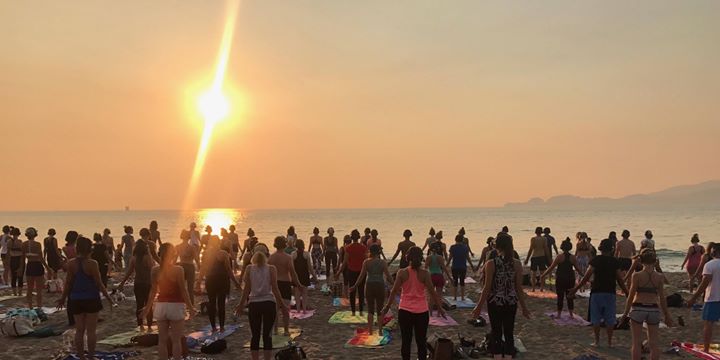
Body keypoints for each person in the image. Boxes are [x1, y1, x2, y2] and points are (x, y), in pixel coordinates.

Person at [382, 247, 446, 360]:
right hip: (421, 312)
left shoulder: (402, 272)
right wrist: (440, 308)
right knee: (421, 341)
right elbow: (433, 293)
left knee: (406, 342)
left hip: (405, 311)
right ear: (421, 258)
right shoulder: (425, 274)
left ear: (407, 257)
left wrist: (387, 307)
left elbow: (394, 291)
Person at [473, 232, 530, 359]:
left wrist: (478, 307)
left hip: (495, 302)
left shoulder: (491, 264)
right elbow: (518, 288)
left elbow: (487, 288)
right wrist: (524, 308)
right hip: (511, 302)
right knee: (509, 333)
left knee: (496, 333)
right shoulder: (516, 263)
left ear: (497, 246)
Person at [56, 236, 114, 360]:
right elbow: (99, 284)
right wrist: (109, 298)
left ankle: (82, 357)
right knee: (91, 331)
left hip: (76, 299)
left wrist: (63, 298)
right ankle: (91, 357)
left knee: (79, 330)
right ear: (89, 249)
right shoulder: (92, 264)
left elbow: (68, 283)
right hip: (91, 299)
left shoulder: (71, 263)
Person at [571, 239, 629, 347]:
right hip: (610, 292)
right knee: (610, 318)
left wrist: (575, 289)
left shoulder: (595, 260)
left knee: (596, 317)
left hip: (597, 291)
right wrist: (627, 292)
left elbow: (586, 277)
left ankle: (597, 341)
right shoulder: (614, 261)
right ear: (611, 249)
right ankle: (609, 342)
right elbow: (620, 280)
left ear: (600, 249)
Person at [142, 244, 195, 360]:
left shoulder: (155, 270)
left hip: (161, 306)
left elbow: (153, 292)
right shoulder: (178, 270)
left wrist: (147, 309)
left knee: (162, 341)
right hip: (176, 306)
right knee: (176, 341)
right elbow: (183, 290)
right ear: (173, 255)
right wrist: (191, 307)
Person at [235, 246, 288, 360]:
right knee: (267, 336)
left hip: (254, 304)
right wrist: (283, 305)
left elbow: (246, 289)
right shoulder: (271, 268)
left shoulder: (249, 268)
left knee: (255, 335)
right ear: (266, 255)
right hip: (268, 303)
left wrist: (241, 305)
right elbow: (275, 289)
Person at [621, 248, 673, 360]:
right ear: (655, 261)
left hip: (638, 307)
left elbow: (630, 296)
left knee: (636, 343)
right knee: (654, 344)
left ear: (641, 261)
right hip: (653, 308)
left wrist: (625, 313)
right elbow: (662, 298)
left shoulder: (637, 275)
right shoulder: (659, 277)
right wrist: (667, 315)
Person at [197, 238, 240, 332]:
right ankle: (221, 327)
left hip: (210, 280)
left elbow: (203, 268)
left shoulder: (206, 253)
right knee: (221, 304)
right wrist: (236, 282)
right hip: (222, 280)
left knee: (212, 303)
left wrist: (199, 282)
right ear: (219, 243)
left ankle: (213, 327)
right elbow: (228, 270)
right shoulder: (223, 254)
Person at [349, 244, 393, 334]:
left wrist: (355, 286)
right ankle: (380, 331)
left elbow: (361, 276)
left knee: (370, 309)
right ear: (379, 252)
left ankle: (370, 331)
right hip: (380, 285)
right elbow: (388, 277)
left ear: (370, 252)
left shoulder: (366, 262)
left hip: (369, 285)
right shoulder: (383, 262)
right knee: (380, 309)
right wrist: (396, 285)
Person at [268, 236, 303, 336]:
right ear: (284, 244)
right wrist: (298, 284)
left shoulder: (271, 257)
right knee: (285, 309)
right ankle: (286, 330)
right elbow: (293, 272)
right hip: (285, 283)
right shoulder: (288, 257)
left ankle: (275, 330)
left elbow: (268, 272)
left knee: (275, 309)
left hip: (275, 283)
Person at [688, 243, 720, 353]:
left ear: (714, 252)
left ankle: (706, 349)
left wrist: (693, 298)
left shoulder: (710, 265)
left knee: (708, 324)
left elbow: (704, 284)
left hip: (712, 298)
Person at [118, 241, 155, 331]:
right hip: (147, 284)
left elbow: (129, 271)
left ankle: (140, 325)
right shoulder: (147, 257)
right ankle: (149, 326)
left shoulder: (134, 258)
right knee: (148, 305)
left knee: (139, 305)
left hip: (138, 284)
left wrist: (122, 283)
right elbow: (153, 267)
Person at [541, 238, 579, 319]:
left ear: (562, 247)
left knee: (560, 296)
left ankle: (559, 314)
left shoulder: (559, 257)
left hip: (561, 278)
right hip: (570, 278)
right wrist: (583, 275)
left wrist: (543, 275)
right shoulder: (573, 257)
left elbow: (551, 268)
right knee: (570, 296)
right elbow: (577, 268)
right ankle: (571, 314)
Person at [337, 230, 369, 316]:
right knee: (361, 291)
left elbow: (344, 262)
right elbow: (367, 260)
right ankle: (361, 311)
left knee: (352, 291)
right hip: (361, 272)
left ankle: (353, 312)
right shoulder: (363, 248)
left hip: (351, 272)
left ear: (351, 238)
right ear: (358, 237)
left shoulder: (348, 248)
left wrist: (338, 272)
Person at [23, 227, 51, 308]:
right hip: (37, 266)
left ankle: (30, 306)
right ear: (35, 235)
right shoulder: (38, 244)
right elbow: (41, 258)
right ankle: (39, 306)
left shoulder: (24, 244)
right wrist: (48, 268)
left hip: (30, 265)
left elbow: (22, 259)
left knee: (29, 289)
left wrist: (21, 269)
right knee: (39, 290)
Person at [447, 233, 475, 301]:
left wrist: (446, 265)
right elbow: (468, 258)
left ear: (455, 240)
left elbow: (450, 258)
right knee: (462, 282)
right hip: (463, 267)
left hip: (455, 266)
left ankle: (455, 297)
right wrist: (472, 265)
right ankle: (462, 297)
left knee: (455, 282)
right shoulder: (465, 247)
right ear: (462, 240)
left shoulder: (452, 247)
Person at [425, 242, 452, 313]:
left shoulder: (428, 257)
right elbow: (444, 268)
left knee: (431, 296)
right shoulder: (440, 257)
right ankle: (439, 313)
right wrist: (450, 277)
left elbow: (425, 269)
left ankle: (430, 313)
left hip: (431, 276)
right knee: (439, 296)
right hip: (439, 276)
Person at [176, 229, 200, 305]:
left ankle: (180, 305)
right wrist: (200, 267)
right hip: (190, 266)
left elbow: (174, 259)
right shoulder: (192, 247)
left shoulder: (178, 246)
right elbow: (196, 259)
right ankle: (191, 306)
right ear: (189, 237)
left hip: (181, 266)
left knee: (180, 287)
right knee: (190, 288)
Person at [524, 227, 551, 292]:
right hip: (542, 256)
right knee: (542, 273)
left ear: (536, 232)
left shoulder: (533, 239)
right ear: (541, 232)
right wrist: (549, 258)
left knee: (533, 273)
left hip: (534, 256)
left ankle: (533, 288)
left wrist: (527, 259)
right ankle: (541, 288)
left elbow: (531, 249)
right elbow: (546, 249)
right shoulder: (544, 239)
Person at [292, 239, 316, 313]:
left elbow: (291, 267)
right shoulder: (306, 254)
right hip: (305, 275)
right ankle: (304, 310)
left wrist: (291, 276)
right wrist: (314, 276)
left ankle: (298, 310)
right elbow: (310, 267)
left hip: (296, 275)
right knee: (305, 293)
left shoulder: (293, 254)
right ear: (303, 245)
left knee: (297, 293)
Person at [63, 230, 79, 326]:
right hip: (76, 269)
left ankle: (71, 318)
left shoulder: (65, 248)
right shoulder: (76, 248)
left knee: (70, 295)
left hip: (69, 269)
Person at [8, 227, 24, 296]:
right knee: (20, 276)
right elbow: (23, 252)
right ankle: (19, 292)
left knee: (13, 276)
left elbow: (8, 253)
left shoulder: (10, 241)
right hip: (19, 258)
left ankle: (15, 293)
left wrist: (7, 262)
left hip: (13, 259)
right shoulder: (20, 242)